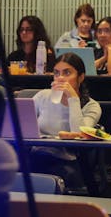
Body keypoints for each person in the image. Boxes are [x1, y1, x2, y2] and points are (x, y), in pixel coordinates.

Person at [29, 53, 102, 190]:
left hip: (67, 161)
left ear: (81, 77)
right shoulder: (42, 96)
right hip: (36, 154)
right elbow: (24, 125)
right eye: (56, 73)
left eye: (67, 73)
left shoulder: (91, 106)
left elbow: (79, 134)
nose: (61, 78)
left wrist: (73, 99)